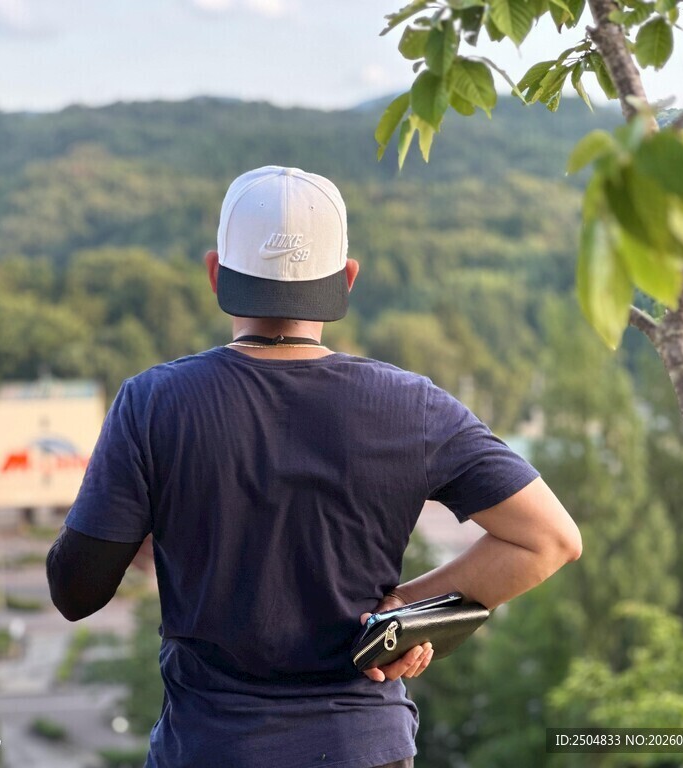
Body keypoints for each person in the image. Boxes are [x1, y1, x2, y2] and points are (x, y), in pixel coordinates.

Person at [47, 165, 582, 768]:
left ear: (216, 274)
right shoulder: (413, 405)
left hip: (212, 750)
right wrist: (402, 612)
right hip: (364, 749)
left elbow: (76, 592)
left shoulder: (153, 403)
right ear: (346, 279)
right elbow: (550, 539)